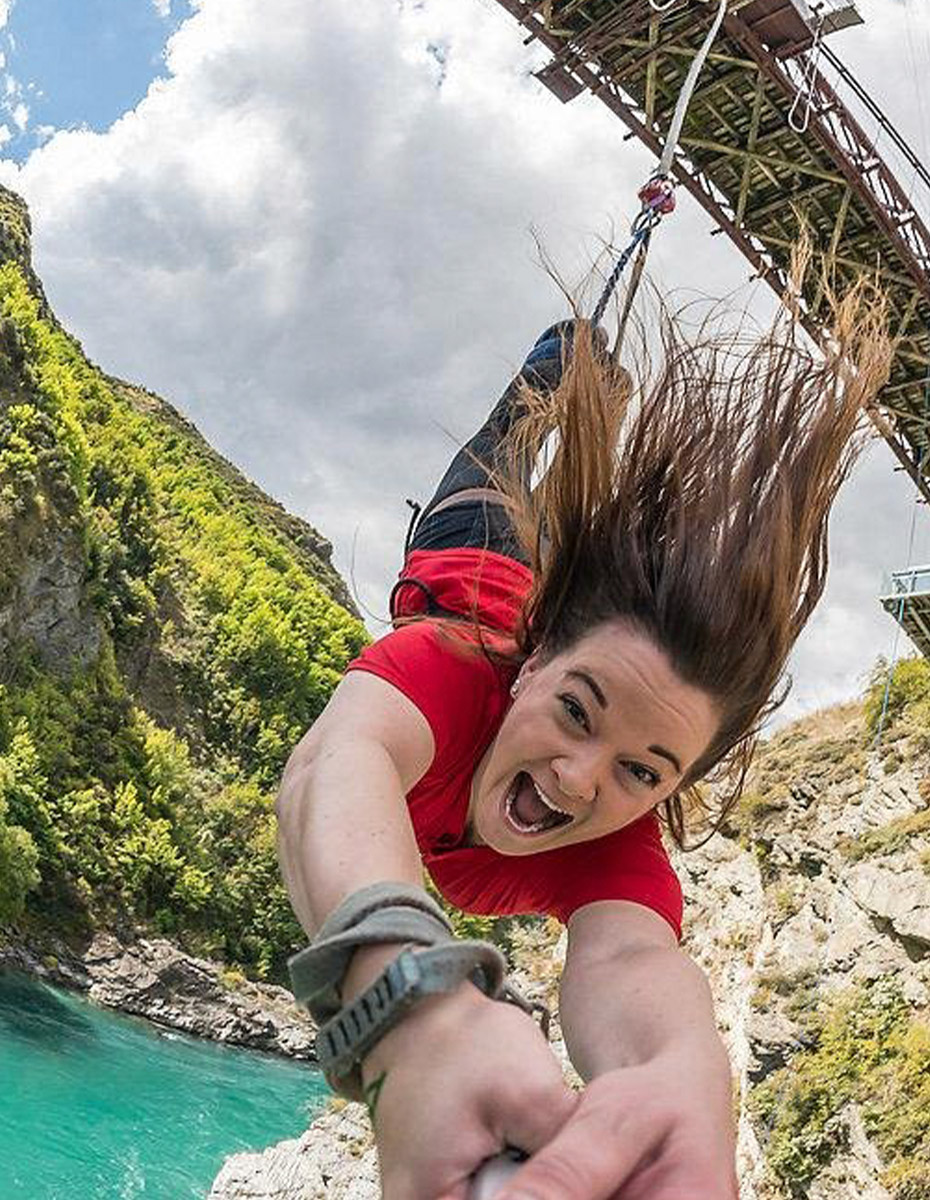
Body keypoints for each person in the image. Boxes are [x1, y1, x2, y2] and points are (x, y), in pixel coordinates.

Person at [276, 275, 891, 1200]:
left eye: (643, 768)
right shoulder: (442, 670)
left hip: (557, 604)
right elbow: (335, 766)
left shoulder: (617, 847)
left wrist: (683, 1078)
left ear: (672, 784)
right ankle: (571, 356)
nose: (576, 778)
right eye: (575, 710)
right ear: (530, 666)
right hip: (468, 551)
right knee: (514, 438)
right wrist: (415, 1005)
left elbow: (634, 960)